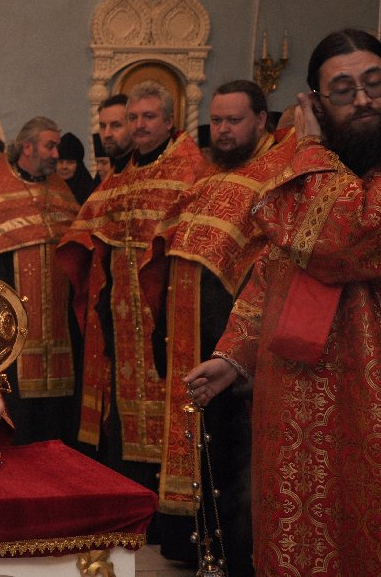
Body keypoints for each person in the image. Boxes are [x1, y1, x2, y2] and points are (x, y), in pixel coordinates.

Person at [185, 28, 381, 574]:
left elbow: (338, 241)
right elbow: (275, 271)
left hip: (367, 395)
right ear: (317, 102)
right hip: (294, 396)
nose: (362, 99)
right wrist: (233, 356)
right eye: (343, 90)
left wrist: (311, 149)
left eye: (374, 84)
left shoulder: (312, 169)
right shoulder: (312, 174)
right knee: (297, 537)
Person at [57, 80, 208, 543]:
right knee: (123, 420)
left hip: (166, 318)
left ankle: (171, 526)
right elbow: (90, 224)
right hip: (121, 321)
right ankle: (135, 518)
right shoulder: (125, 174)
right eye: (134, 118)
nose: (139, 126)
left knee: (167, 413)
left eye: (148, 117)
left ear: (169, 120)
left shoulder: (189, 169)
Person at [154, 80, 296, 571]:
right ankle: (204, 552)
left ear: (261, 120)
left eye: (234, 120)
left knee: (237, 460)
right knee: (207, 451)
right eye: (216, 120)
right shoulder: (210, 177)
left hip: (244, 352)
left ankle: (238, 560)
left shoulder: (279, 174)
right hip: (195, 338)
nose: (223, 130)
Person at [0, 117, 80, 445]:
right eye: (49, 146)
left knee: (59, 428)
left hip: (62, 330)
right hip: (13, 335)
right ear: (27, 146)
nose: (56, 154)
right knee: (22, 427)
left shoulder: (60, 191)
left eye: (57, 146)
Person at [96, 93, 134, 175]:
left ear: (133, 126)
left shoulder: (147, 171)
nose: (107, 134)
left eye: (116, 125)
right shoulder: (108, 176)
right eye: (103, 126)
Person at [55, 131, 97, 204]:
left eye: (70, 162)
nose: (64, 167)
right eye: (60, 162)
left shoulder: (90, 192)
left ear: (79, 165)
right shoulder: (45, 188)